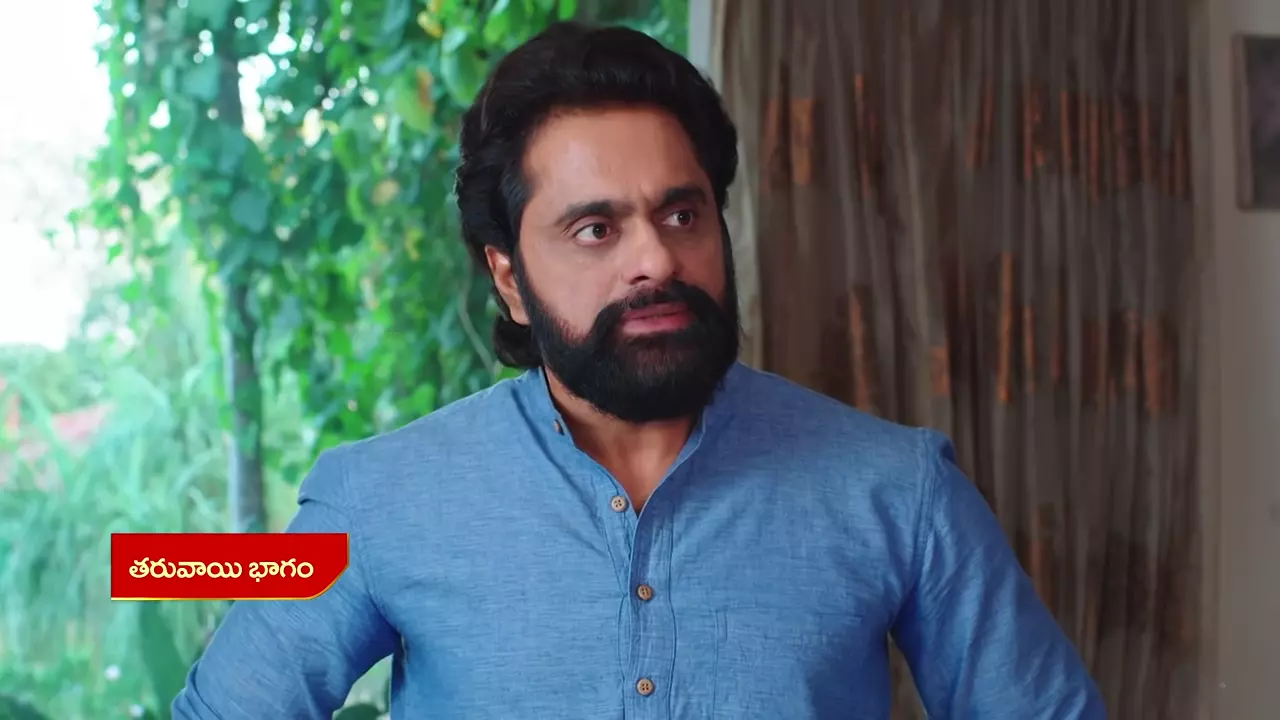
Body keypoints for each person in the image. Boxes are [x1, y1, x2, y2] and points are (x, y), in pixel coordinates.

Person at [172, 22, 1106, 720]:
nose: (655, 259)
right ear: (509, 278)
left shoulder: (900, 489)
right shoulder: (376, 499)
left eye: (682, 215)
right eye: (595, 229)